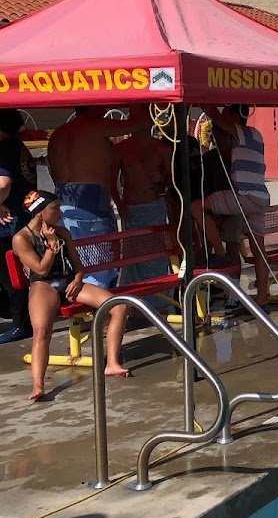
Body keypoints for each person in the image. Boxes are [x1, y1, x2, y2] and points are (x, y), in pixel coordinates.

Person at [15, 190, 130, 400]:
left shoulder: (62, 231)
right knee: (41, 331)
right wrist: (51, 246)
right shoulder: (21, 238)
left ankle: (112, 362)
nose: (59, 212)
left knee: (119, 306)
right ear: (40, 213)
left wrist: (77, 281)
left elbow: (78, 266)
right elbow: (41, 270)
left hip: (69, 282)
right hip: (43, 285)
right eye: (54, 208)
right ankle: (38, 385)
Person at [47, 105, 148, 289]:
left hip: (62, 197)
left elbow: (52, 170)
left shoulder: (58, 133)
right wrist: (141, 102)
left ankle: (83, 297)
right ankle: (101, 303)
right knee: (101, 257)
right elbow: (138, 124)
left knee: (73, 253)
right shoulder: (95, 124)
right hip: (90, 198)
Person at [197, 105, 271, 305]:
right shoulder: (256, 135)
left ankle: (219, 254)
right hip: (261, 197)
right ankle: (262, 300)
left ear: (235, 116)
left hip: (245, 196)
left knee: (195, 206)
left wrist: (204, 102)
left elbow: (215, 116)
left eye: (226, 113)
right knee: (259, 251)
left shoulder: (240, 132)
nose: (222, 116)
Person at [113, 119, 174, 283]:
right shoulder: (121, 149)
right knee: (133, 259)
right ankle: (135, 301)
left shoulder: (162, 149)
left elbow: (172, 182)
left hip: (154, 206)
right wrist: (119, 205)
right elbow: (111, 181)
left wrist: (161, 181)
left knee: (155, 257)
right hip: (131, 208)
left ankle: (157, 299)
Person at [0, 109, 36, 344]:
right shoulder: (19, 146)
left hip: (8, 220)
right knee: (19, 270)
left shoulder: (2, 149)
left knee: (9, 272)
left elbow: (3, 183)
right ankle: (19, 316)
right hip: (24, 215)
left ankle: (21, 323)